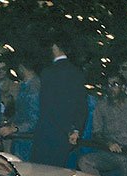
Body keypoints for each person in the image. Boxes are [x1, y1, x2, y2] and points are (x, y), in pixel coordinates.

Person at [76, 72, 127, 176]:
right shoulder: (102, 106)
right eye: (109, 85)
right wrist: (109, 143)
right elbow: (97, 133)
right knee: (84, 162)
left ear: (123, 87)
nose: (111, 88)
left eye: (115, 84)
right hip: (112, 152)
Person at [31, 32, 88, 167]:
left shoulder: (47, 72)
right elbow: (81, 106)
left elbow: (44, 105)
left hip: (45, 132)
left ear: (55, 47)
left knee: (38, 172)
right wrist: (76, 130)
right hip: (65, 134)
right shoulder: (77, 73)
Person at [11, 56, 41, 161]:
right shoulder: (25, 86)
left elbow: (34, 119)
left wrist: (15, 128)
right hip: (21, 139)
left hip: (27, 141)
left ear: (21, 67)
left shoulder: (33, 89)